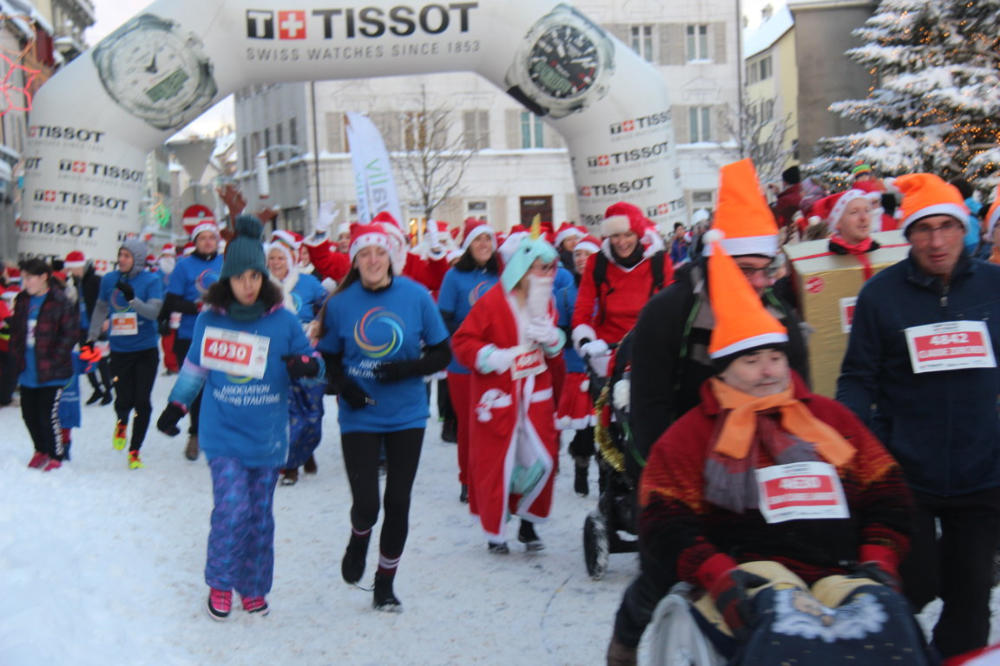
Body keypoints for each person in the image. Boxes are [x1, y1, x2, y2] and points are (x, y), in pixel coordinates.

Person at [606, 233, 922, 665]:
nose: (767, 372)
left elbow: (885, 489)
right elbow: (666, 509)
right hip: (744, 559)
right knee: (773, 622)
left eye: (775, 358)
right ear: (724, 369)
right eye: (750, 361)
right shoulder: (671, 325)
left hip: (836, 566)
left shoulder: (828, 419)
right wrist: (710, 566)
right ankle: (625, 641)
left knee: (892, 624)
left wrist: (879, 556)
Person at [614, 158, 811, 657]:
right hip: (679, 468)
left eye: (767, 269)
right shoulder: (668, 313)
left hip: (758, 477)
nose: (761, 282)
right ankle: (625, 644)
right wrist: (667, 493)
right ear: (719, 262)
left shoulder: (780, 316)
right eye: (747, 271)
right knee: (665, 571)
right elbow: (650, 410)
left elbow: (803, 404)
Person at [837, 173, 1000, 659]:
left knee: (971, 595)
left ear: (965, 229)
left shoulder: (994, 287)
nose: (936, 241)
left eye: (946, 227)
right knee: (913, 583)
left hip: (983, 472)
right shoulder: (881, 295)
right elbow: (857, 378)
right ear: (907, 235)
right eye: (924, 229)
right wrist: (858, 443)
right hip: (907, 472)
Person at [156, 215, 322, 620]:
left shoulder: (282, 319)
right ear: (226, 280)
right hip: (223, 433)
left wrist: (306, 365)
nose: (247, 285)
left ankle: (253, 586)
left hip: (267, 436)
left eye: (254, 276)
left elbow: (314, 363)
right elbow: (195, 368)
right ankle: (220, 582)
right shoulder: (211, 319)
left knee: (260, 516)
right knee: (232, 509)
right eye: (239, 278)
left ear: (263, 278)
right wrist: (176, 407)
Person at [317, 222, 450, 612]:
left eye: (379, 252)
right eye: (364, 254)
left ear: (391, 257)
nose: (373, 260)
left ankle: (385, 584)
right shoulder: (340, 304)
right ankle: (359, 535)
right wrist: (345, 387)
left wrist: (407, 369)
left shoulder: (416, 295)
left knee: (397, 501)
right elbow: (328, 357)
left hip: (407, 414)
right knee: (367, 504)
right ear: (355, 261)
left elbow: (443, 352)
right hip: (360, 414)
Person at [451, 230, 565, 554]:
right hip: (498, 396)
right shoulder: (491, 301)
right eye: (540, 267)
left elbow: (554, 351)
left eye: (549, 267)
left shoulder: (547, 302)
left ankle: (529, 522)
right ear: (522, 267)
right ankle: (495, 529)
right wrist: (492, 357)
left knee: (542, 459)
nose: (547, 274)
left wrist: (552, 339)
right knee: (497, 462)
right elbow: (462, 342)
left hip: (535, 396)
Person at [438, 218, 500, 503]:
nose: (483, 244)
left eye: (488, 239)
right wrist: (473, 336)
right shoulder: (454, 277)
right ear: (468, 245)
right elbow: (444, 319)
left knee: (494, 422)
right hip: (463, 363)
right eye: (478, 239)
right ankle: (468, 479)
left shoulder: (501, 274)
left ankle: (492, 477)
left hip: (497, 360)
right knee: (469, 424)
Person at [571, 202, 672, 376]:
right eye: (615, 235)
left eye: (628, 235)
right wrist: (585, 340)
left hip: (650, 347)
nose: (622, 242)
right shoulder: (597, 263)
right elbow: (583, 306)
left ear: (638, 234)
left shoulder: (659, 261)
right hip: (608, 350)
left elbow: (672, 307)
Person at [87, 239, 163, 469]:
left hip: (145, 350)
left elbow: (153, 313)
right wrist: (91, 337)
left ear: (137, 259)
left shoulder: (152, 280)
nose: (121, 259)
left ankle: (135, 449)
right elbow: (101, 307)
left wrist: (132, 300)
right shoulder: (109, 279)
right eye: (120, 254)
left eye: (126, 256)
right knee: (123, 398)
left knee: (142, 400)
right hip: (120, 350)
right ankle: (122, 421)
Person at [266, 231, 328, 485]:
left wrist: (317, 323)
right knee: (285, 413)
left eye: (281, 257)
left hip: (307, 355)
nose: (276, 263)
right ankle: (290, 465)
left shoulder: (309, 282)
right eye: (272, 258)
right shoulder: (261, 286)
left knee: (312, 412)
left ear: (291, 259)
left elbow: (328, 308)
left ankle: (307, 449)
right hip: (274, 357)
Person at [164, 215, 224, 461]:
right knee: (195, 388)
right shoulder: (183, 266)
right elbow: (172, 301)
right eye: (203, 238)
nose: (208, 242)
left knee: (222, 386)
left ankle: (221, 435)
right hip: (191, 334)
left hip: (223, 334)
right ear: (195, 242)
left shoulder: (227, 262)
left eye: (211, 238)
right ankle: (195, 434)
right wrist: (197, 307)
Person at [10, 258, 78, 471]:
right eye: (23, 278)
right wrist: (15, 352)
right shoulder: (22, 300)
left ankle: (56, 454)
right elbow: (17, 330)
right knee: (29, 414)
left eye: (29, 278)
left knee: (47, 414)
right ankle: (40, 450)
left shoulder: (60, 301)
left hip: (52, 370)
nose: (25, 283)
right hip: (28, 367)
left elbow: (70, 334)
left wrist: (55, 358)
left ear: (43, 277)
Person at [555, 234, 601, 495]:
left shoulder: (608, 289)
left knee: (605, 426)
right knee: (584, 428)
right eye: (578, 255)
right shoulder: (564, 294)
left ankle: (607, 475)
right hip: (577, 368)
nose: (582, 259)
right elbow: (559, 331)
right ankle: (581, 467)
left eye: (587, 254)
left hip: (605, 366)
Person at [64, 250, 113, 405]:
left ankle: (108, 391)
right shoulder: (76, 282)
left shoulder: (95, 280)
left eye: (72, 268)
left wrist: (107, 318)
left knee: (101, 359)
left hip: (98, 326)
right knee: (86, 359)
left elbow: (108, 300)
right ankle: (97, 389)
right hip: (83, 327)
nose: (70, 272)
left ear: (80, 266)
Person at [155, 244, 180, 375]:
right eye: (165, 255)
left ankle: (180, 364)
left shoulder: (180, 270)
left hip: (179, 308)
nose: (167, 258)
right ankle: (171, 366)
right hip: (163, 310)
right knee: (167, 340)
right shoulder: (157, 273)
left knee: (180, 338)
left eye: (170, 255)